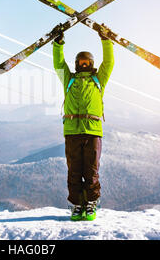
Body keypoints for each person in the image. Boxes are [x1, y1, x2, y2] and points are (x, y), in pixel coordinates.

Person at [52, 24, 114, 221]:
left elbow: (109, 63)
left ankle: (91, 205)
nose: (84, 64)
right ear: (77, 64)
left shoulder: (98, 80)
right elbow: (59, 64)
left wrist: (106, 40)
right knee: (74, 171)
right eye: (81, 62)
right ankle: (77, 206)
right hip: (72, 131)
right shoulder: (68, 80)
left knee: (91, 172)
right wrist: (58, 44)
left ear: (92, 64)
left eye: (87, 62)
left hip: (93, 131)